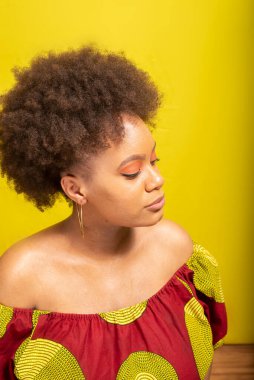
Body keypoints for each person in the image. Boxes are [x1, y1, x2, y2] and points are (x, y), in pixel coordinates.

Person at [0, 46, 227, 380]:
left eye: (154, 161)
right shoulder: (21, 278)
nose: (157, 180)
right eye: (132, 172)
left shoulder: (177, 251)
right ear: (76, 189)